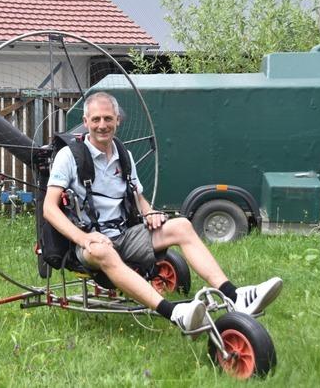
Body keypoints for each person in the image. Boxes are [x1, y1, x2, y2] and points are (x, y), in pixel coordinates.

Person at [43, 92, 282, 334]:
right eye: (95, 120)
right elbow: (49, 208)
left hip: (125, 235)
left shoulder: (123, 154)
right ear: (86, 122)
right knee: (103, 250)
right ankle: (176, 313)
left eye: (107, 118)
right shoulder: (69, 156)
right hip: (89, 244)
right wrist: (84, 238)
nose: (102, 125)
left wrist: (149, 213)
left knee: (182, 226)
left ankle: (235, 296)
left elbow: (136, 195)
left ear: (118, 120)